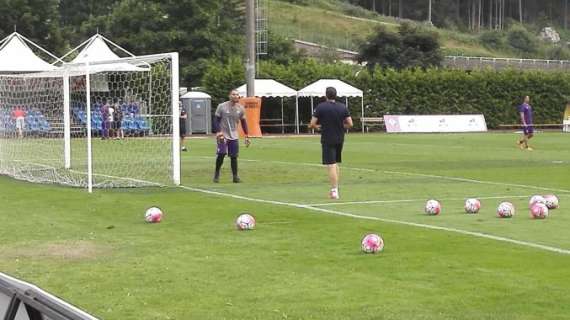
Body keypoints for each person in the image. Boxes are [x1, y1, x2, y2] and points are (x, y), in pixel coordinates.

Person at [309, 87, 353, 199]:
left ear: (326, 95)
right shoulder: (343, 107)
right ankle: (336, 187)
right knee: (336, 163)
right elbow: (350, 124)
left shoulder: (321, 107)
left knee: (331, 164)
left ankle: (334, 190)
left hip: (328, 138)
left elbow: (312, 124)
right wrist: (341, 127)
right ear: (336, 95)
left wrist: (319, 128)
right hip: (340, 138)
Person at [212, 89, 250, 183]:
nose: (235, 96)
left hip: (234, 135)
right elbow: (216, 120)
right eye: (233, 94)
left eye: (237, 94)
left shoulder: (241, 108)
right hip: (223, 135)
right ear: (229, 96)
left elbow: (244, 122)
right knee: (221, 154)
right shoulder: (222, 106)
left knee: (234, 156)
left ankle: (235, 177)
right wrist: (218, 132)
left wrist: (246, 136)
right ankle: (216, 174)